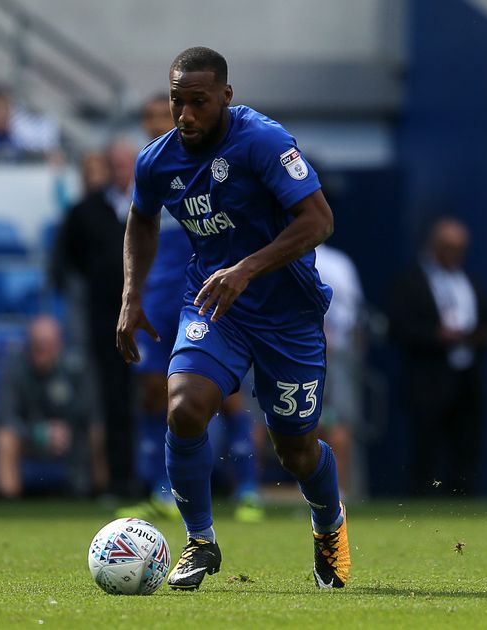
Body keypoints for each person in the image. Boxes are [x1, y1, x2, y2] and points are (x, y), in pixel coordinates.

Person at [117, 47, 347, 590]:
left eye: (198, 102)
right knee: (185, 407)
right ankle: (200, 542)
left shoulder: (262, 140)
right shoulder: (157, 160)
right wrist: (131, 296)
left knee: (294, 450)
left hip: (287, 313)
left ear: (226, 96)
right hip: (215, 304)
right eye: (178, 102)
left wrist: (245, 268)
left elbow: (319, 220)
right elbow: (141, 219)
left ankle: (329, 523)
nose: (186, 116)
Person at [117, 91, 264, 523]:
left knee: (226, 392)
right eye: (150, 116)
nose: (158, 122)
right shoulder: (148, 170)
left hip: (203, 290)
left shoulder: (206, 166)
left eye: (163, 114)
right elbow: (137, 237)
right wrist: (134, 295)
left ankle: (249, 487)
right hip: (159, 294)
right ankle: (160, 489)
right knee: (151, 393)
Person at [389, 217, 487, 496]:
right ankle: (420, 507)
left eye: (460, 248)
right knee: (426, 448)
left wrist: (475, 337)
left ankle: (463, 505)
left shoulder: (469, 279)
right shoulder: (411, 281)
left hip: (467, 377)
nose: (455, 254)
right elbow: (399, 327)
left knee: (466, 447)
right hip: (428, 379)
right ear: (433, 246)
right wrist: (436, 336)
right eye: (448, 247)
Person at [52, 151, 129, 497]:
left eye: (127, 163)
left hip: (153, 318)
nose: (121, 169)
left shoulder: (156, 203)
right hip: (105, 323)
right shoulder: (84, 211)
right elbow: (65, 264)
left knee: (159, 399)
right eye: (116, 163)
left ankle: (166, 482)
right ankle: (120, 481)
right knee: (113, 403)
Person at [0, 316, 93, 498]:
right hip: (29, 440)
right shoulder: (14, 371)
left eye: (47, 343)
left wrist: (65, 430)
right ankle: (9, 506)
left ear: (59, 344)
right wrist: (39, 432)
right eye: (36, 343)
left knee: (97, 431)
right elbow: (4, 415)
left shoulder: (76, 370)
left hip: (71, 439)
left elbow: (87, 410)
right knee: (3, 439)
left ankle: (101, 496)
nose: (41, 349)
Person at [314, 242, 368, 498]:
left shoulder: (337, 262)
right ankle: (336, 493)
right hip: (323, 354)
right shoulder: (340, 261)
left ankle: (338, 493)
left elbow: (354, 315)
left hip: (327, 357)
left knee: (336, 424)